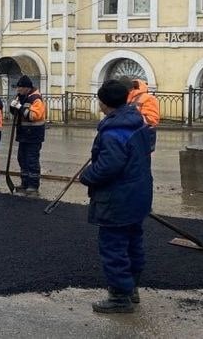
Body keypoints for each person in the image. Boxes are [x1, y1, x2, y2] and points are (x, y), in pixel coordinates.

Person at [79, 79, 153, 313]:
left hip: (117, 199)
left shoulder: (114, 132)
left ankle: (120, 297)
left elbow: (109, 166)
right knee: (133, 242)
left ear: (104, 103)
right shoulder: (138, 122)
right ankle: (131, 288)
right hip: (138, 194)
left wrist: (88, 175)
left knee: (114, 248)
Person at [8, 75, 46, 196]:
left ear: (27, 88)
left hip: (33, 135)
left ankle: (33, 185)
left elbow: (33, 116)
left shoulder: (36, 99)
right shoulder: (22, 97)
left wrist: (19, 107)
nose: (18, 90)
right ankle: (25, 183)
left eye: (20, 88)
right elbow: (17, 114)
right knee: (22, 158)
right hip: (24, 134)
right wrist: (13, 107)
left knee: (31, 160)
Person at [119, 77, 159, 151]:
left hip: (141, 141)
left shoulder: (148, 98)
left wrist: (128, 118)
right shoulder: (122, 99)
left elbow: (152, 120)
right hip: (126, 140)